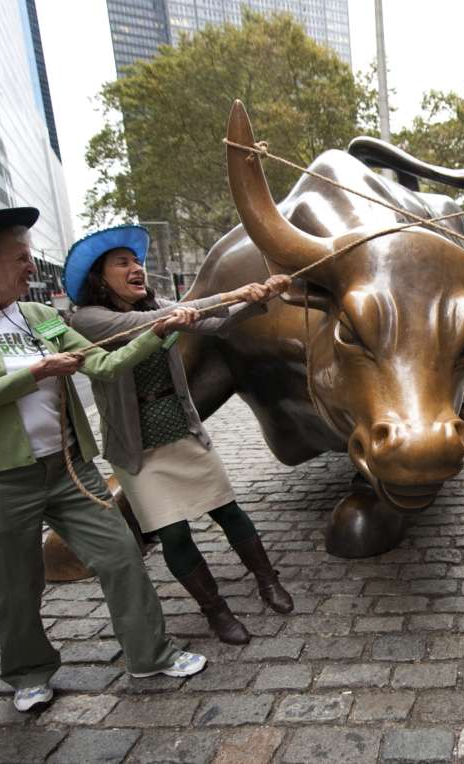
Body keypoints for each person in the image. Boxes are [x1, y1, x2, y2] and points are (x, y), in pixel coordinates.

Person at [0, 203, 207, 713]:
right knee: (14, 587)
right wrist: (34, 373)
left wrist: (157, 332)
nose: (32, 267)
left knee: (122, 555)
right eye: (23, 257)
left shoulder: (38, 315)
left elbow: (105, 363)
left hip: (69, 467)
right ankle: (29, 673)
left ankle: (150, 654)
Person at [65, 225, 295, 645]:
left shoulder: (162, 307)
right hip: (137, 447)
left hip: (181, 427)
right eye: (123, 263)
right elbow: (145, 326)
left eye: (136, 262)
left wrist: (259, 298)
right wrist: (234, 292)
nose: (136, 268)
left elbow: (218, 324)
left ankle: (268, 580)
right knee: (173, 533)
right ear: (99, 278)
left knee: (228, 510)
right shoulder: (89, 319)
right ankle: (217, 612)